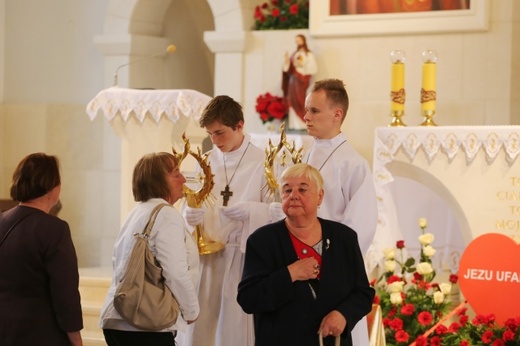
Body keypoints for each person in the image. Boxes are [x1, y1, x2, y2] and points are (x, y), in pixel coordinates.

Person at [179, 95, 282, 346]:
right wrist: (188, 216)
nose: (215, 140)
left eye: (220, 133)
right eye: (210, 134)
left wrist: (253, 211)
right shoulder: (207, 161)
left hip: (243, 258)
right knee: (202, 330)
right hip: (208, 260)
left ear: (240, 125)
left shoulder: (264, 162)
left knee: (233, 331)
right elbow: (189, 200)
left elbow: (279, 211)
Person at [237, 163, 375, 346]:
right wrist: (290, 273)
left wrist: (343, 314)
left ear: (320, 196)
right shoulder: (262, 240)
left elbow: (363, 293)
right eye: (287, 190)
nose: (294, 195)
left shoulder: (344, 238)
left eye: (303, 189)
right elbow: (249, 299)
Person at [303, 78, 378, 345]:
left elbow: (360, 225)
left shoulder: (353, 164)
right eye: (306, 110)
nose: (305, 117)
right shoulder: (305, 156)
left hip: (333, 268)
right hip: (299, 266)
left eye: (314, 110)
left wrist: (325, 257)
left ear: (337, 114)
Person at [99, 152, 200, 346]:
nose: (183, 179)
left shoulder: (136, 212)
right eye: (176, 174)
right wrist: (191, 310)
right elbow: (176, 272)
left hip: (118, 317)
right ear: (159, 182)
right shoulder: (166, 215)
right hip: (145, 322)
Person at [0, 153, 83, 346]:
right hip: (41, 334)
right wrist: (76, 339)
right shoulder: (55, 229)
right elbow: (65, 292)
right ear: (51, 187)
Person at [282, 34, 318, 131]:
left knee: (300, 100)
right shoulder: (295, 54)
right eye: (296, 41)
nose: (298, 42)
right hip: (293, 80)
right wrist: (286, 61)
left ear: (303, 41)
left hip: (301, 80)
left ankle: (302, 123)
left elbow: (313, 68)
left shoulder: (308, 54)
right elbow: (288, 68)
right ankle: (294, 124)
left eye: (299, 40)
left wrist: (302, 67)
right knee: (292, 100)